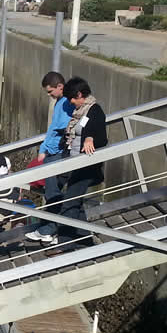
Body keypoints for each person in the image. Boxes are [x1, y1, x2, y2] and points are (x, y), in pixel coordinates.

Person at [28, 71, 74, 244]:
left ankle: (50, 229)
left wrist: (46, 149)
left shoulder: (68, 103)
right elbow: (54, 129)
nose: (49, 95)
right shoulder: (60, 102)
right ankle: (53, 228)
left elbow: (60, 128)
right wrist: (43, 148)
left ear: (60, 86)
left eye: (50, 91)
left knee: (53, 191)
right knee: (52, 191)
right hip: (53, 151)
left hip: (60, 152)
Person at [57, 78, 107, 233]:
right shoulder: (80, 113)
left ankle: (65, 243)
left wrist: (90, 138)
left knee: (70, 202)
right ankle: (83, 238)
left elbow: (101, 137)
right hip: (74, 162)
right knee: (74, 202)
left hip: (86, 166)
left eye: (71, 98)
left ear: (79, 94)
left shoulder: (94, 111)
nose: (71, 102)